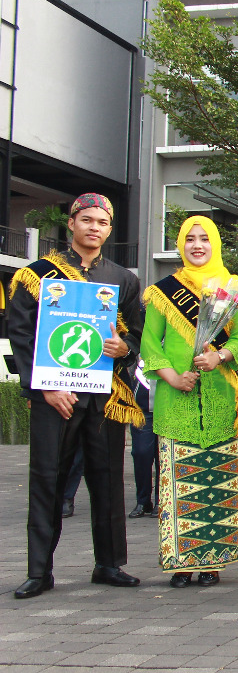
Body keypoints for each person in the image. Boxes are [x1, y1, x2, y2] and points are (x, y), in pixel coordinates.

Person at [10, 193, 144, 599]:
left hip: (106, 396)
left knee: (107, 480)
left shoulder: (123, 279)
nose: (94, 227)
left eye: (102, 222)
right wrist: (46, 386)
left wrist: (124, 348)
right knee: (46, 479)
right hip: (56, 396)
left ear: (109, 229)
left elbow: (137, 335)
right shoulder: (38, 274)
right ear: (71, 223)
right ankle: (39, 571)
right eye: (86, 220)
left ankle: (109, 564)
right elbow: (21, 333)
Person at [142, 216, 238, 588]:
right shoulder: (163, 292)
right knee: (179, 485)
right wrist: (173, 377)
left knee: (218, 485)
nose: (197, 245)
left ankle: (212, 562)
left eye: (204, 239)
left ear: (215, 244)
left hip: (222, 399)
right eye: (190, 239)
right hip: (176, 400)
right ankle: (180, 562)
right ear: (180, 244)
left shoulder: (234, 289)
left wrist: (218, 356)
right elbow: (149, 345)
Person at [127, 357, 160, 519]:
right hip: (141, 409)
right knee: (141, 453)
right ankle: (143, 500)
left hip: (167, 407)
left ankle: (161, 500)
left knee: (163, 456)